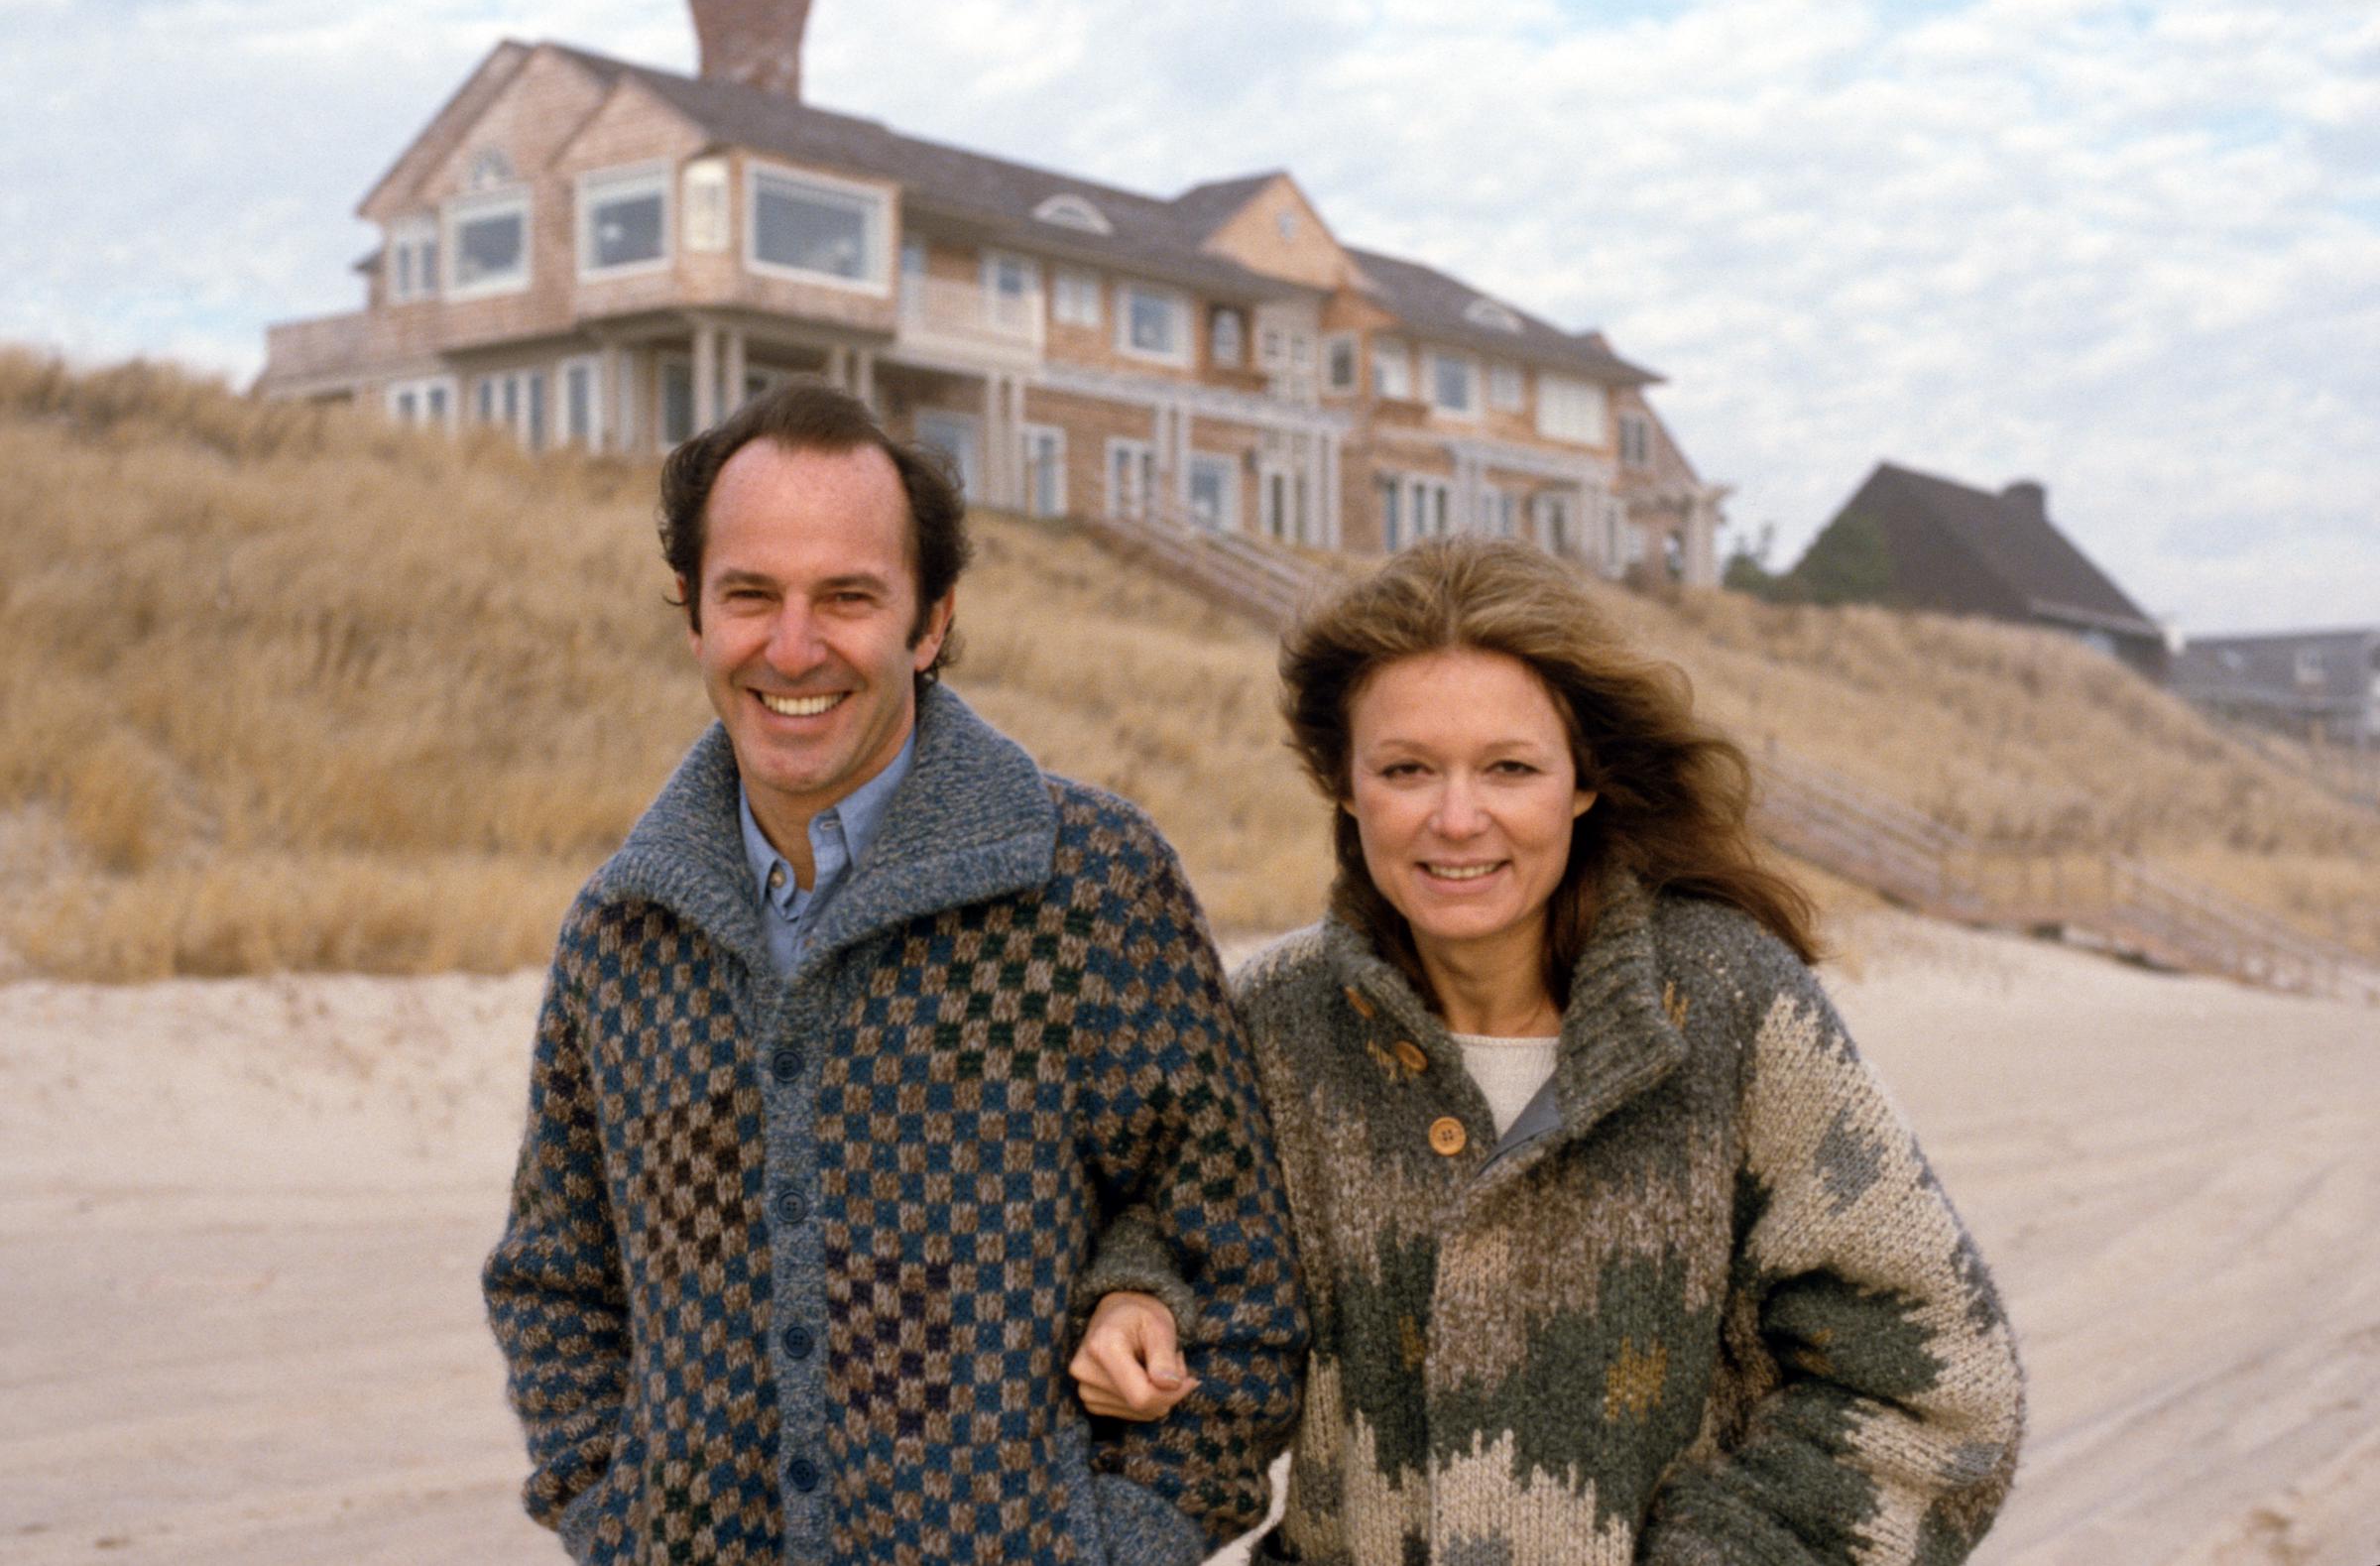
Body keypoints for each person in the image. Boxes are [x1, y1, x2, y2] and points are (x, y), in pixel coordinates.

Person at [1071, 537, 2025, 1564]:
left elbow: (1944, 1391)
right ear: (1343, 784)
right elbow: (1188, 1241)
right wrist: (1137, 1296)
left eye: (1510, 767)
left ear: (1583, 780)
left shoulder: (1729, 1007)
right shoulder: (1273, 1020)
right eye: (1406, 769)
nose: (1456, 817)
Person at [482, 380, 1306, 1565]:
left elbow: (1238, 1256)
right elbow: (555, 1282)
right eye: (750, 596)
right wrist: (612, 1518)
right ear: (693, 617)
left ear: (929, 621)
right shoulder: (620, 932)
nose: (794, 645)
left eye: (849, 598)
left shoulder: (1090, 883)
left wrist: (1132, 1536)